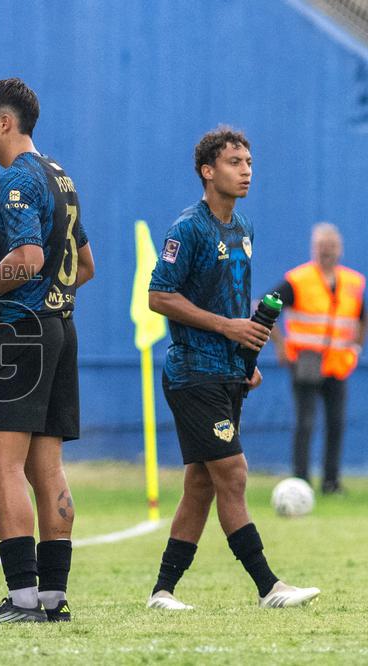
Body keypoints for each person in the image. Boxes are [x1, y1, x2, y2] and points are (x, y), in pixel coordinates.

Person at [146, 126, 320, 611]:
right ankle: (269, 586)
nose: (246, 170)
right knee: (235, 474)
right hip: (192, 373)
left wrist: (245, 360)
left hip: (227, 372)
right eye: (234, 162)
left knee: (201, 486)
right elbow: (159, 295)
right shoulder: (188, 228)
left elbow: (238, 306)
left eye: (249, 163)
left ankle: (163, 591)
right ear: (208, 170)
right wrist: (227, 329)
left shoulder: (242, 229)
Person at [0, 78, 94, 623]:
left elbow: (28, 257)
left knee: (0, 465)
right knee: (47, 468)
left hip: (22, 335)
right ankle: (52, 599)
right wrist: (49, 301)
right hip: (61, 329)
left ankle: (21, 597)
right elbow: (85, 267)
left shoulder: (15, 181)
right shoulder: (61, 177)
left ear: (5, 123)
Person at [268, 223, 365, 494]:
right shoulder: (298, 280)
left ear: (340, 249)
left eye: (332, 246)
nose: (327, 251)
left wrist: (356, 347)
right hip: (306, 361)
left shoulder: (353, 283)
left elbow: (361, 317)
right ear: (314, 248)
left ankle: (331, 482)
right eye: (322, 246)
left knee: (336, 424)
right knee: (306, 423)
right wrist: (279, 344)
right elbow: (267, 305)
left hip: (338, 363)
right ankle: (300, 480)